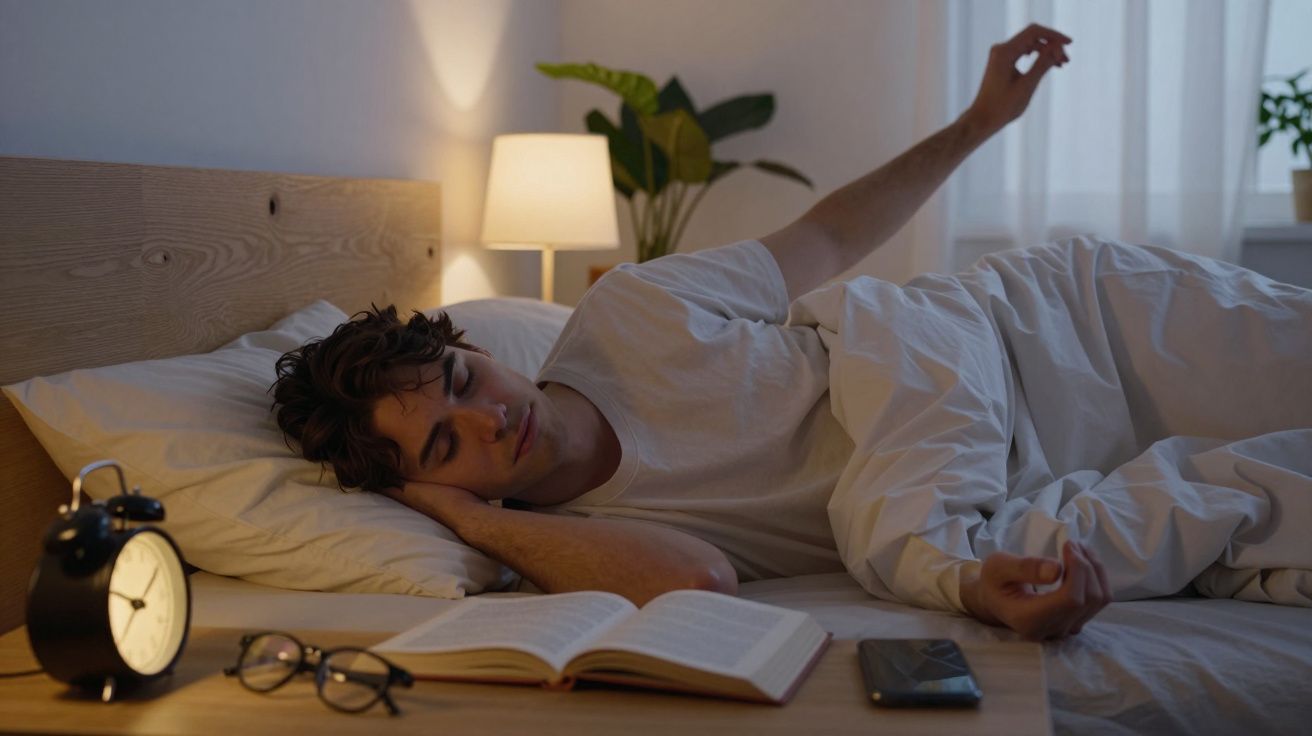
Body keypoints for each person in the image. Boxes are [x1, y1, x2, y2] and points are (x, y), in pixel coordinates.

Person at [272, 25, 1312, 641]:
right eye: (444, 444)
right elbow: (698, 583)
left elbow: (825, 238)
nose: (489, 420)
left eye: (463, 382)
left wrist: (979, 122)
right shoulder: (580, 545)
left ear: (478, 347)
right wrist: (467, 520)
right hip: (1010, 489)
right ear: (429, 487)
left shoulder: (629, 312)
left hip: (1051, 332)